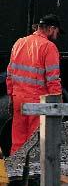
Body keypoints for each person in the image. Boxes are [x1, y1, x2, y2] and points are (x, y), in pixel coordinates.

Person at [6, 14, 63, 154]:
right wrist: (58, 103)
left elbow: (10, 74)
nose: (57, 35)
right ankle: (32, 174)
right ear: (51, 28)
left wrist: (11, 98)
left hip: (18, 98)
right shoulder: (49, 47)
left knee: (18, 140)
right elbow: (53, 80)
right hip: (37, 101)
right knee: (34, 142)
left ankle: (15, 171)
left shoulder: (19, 42)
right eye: (57, 31)